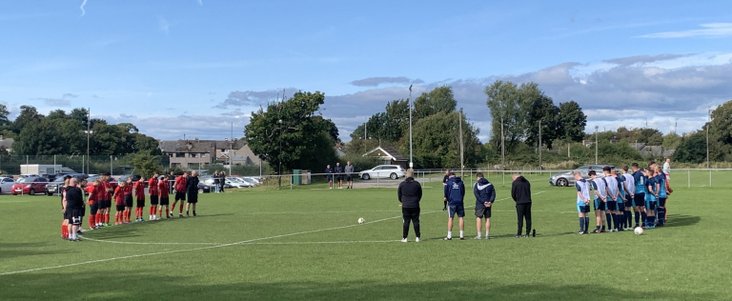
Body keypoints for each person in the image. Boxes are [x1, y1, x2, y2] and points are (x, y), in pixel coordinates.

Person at [397, 169, 422, 243]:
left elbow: (399, 195)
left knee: (406, 222)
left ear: (406, 175)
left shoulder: (402, 184)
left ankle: (405, 238)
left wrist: (403, 201)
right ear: (413, 175)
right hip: (415, 205)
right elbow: (420, 194)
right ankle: (417, 237)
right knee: (416, 221)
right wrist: (416, 200)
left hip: (405, 206)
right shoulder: (417, 184)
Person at [473, 172, 496, 240]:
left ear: (478, 177)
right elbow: (493, 194)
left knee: (479, 218)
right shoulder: (490, 184)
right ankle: (487, 235)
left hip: (480, 204)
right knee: (488, 218)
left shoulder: (476, 185)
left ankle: (479, 235)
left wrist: (483, 202)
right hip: (488, 204)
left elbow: (477, 195)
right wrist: (490, 201)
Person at [443, 172, 465, 240]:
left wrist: (448, 199)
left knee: (450, 218)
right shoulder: (461, 182)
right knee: (460, 217)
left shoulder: (448, 183)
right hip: (460, 202)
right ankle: (461, 235)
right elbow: (463, 192)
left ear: (449, 176)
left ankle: (449, 236)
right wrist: (460, 199)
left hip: (451, 202)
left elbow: (445, 193)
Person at [511, 173, 533, 238]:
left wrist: (517, 200)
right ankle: (527, 233)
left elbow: (513, 194)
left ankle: (519, 233)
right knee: (528, 218)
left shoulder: (515, 183)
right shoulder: (527, 182)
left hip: (520, 203)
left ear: (514, 177)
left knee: (520, 219)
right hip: (528, 202)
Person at [603, 166, 621, 232]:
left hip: (609, 198)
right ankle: (616, 227)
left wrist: (611, 196)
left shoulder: (605, 179)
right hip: (614, 198)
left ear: (605, 171)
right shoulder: (614, 178)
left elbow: (606, 188)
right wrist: (615, 196)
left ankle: (610, 228)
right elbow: (617, 188)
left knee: (608, 212)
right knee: (614, 212)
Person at [631, 163, 647, 228]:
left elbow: (634, 184)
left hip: (637, 193)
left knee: (637, 209)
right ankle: (643, 223)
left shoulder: (635, 175)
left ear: (633, 167)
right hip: (643, 192)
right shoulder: (642, 174)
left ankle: (637, 223)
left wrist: (632, 193)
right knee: (642, 208)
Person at [621, 165, 636, 230]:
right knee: (629, 209)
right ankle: (630, 225)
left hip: (626, 194)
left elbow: (624, 187)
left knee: (625, 209)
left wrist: (629, 192)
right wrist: (632, 193)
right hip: (631, 194)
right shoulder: (631, 176)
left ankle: (625, 225)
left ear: (622, 169)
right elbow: (633, 184)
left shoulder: (623, 176)